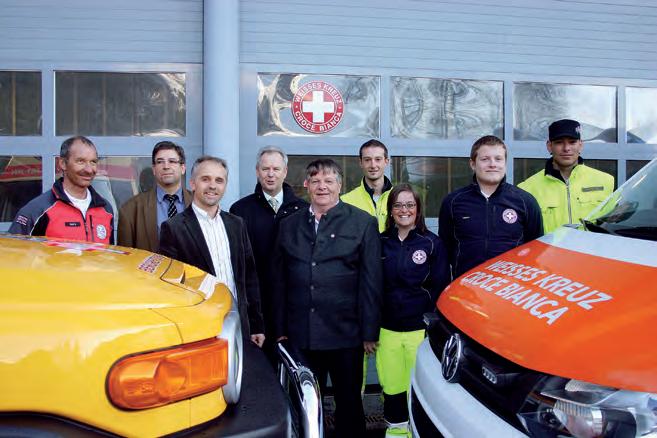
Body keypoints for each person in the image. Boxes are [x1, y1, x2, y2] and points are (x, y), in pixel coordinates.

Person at [272, 159, 382, 438]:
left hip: (347, 334)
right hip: (301, 335)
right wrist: (280, 329)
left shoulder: (363, 222)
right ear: (306, 185)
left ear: (339, 185)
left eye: (329, 181)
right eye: (316, 181)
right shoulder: (288, 225)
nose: (322, 187)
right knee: (305, 405)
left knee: (349, 403)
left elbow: (371, 281)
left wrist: (369, 332)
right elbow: (279, 280)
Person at [158, 156, 264, 346]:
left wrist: (256, 325)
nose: (212, 186)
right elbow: (169, 288)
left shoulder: (237, 224)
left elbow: (249, 277)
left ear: (225, 185)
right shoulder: (173, 228)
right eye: (205, 179)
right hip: (198, 328)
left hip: (237, 325)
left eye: (219, 180)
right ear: (192, 183)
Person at [377, 183, 450, 437]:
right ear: (391, 210)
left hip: (420, 332)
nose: (404, 210)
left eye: (410, 205)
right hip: (387, 330)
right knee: (392, 387)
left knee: (418, 388)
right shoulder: (380, 242)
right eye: (398, 205)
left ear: (418, 210)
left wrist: (434, 329)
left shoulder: (432, 243)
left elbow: (440, 289)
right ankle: (396, 433)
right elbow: (372, 286)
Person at [229, 146, 307, 362]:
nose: (270, 174)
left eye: (276, 169)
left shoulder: (303, 210)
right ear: (257, 171)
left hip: (294, 308)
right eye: (265, 169)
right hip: (257, 308)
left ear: (285, 172)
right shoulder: (240, 210)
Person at [439, 135, 543, 279]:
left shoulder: (525, 201)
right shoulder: (453, 202)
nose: (492, 164)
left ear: (505, 163)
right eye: (485, 159)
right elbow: (446, 249)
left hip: (510, 286)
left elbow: (535, 249)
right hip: (466, 285)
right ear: (473, 164)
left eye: (498, 159)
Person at [9, 136, 114, 244]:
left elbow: (110, 252)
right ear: (63, 163)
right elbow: (14, 250)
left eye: (93, 162)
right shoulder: (37, 210)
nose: (89, 170)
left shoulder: (106, 209)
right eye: (81, 161)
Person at [518, 119, 615, 233]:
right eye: (559, 142)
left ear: (580, 145)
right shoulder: (527, 188)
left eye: (572, 142)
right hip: (549, 245)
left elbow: (612, 226)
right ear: (549, 146)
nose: (566, 148)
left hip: (591, 245)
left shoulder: (606, 181)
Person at [117, 141, 191, 252]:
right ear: (154, 169)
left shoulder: (199, 204)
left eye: (172, 161)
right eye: (160, 162)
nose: (166, 166)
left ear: (183, 168)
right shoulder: (130, 210)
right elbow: (125, 257)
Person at [342, 139, 393, 231]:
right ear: (361, 163)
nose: (373, 165)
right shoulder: (345, 201)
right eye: (367, 160)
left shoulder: (399, 198)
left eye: (378, 159)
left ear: (386, 161)